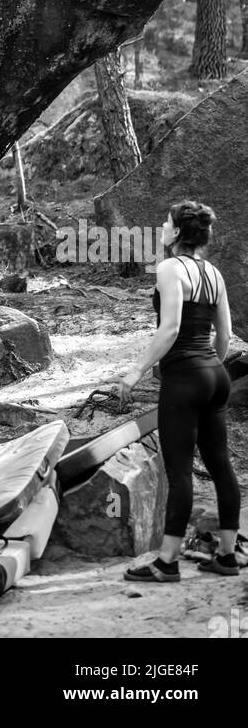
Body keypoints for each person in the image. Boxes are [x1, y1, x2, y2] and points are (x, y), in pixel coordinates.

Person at [117, 201, 243, 582]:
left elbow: (169, 329)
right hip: (214, 374)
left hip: (184, 379)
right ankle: (226, 556)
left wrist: (135, 370)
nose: (161, 226)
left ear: (177, 232)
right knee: (221, 465)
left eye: (165, 222)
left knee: (180, 471)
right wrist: (209, 366)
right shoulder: (214, 274)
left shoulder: (170, 269)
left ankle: (167, 562)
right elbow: (224, 336)